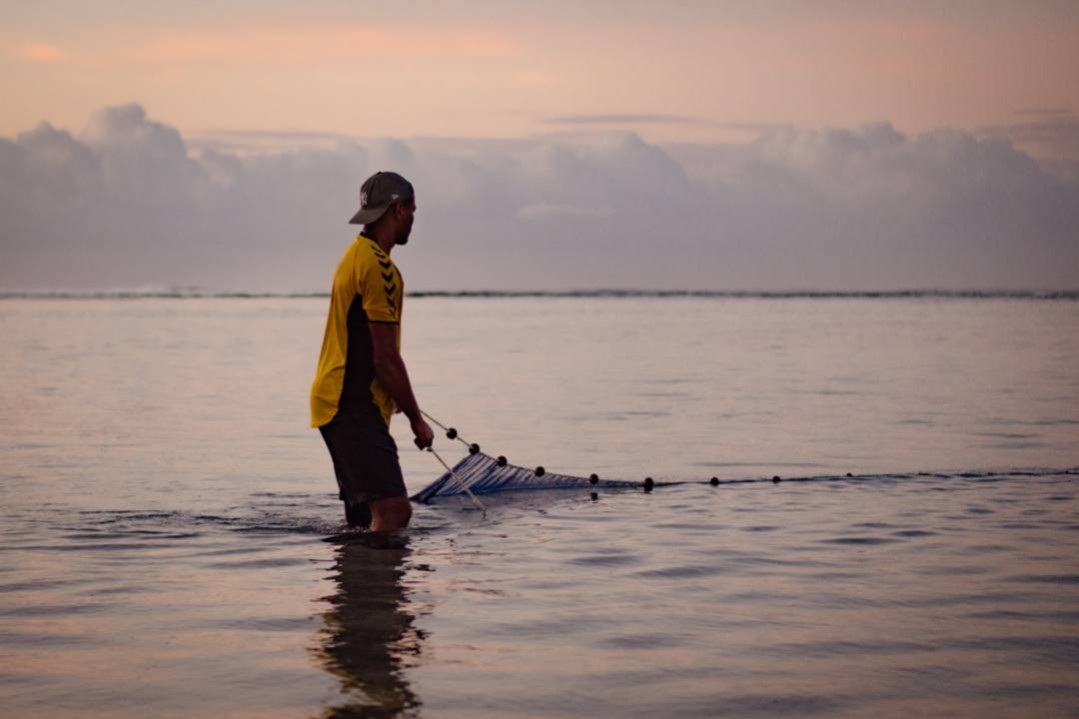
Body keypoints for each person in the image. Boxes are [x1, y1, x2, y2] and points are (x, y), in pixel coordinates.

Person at [310, 171, 434, 532]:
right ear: (398, 210)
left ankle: (358, 586)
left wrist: (390, 395)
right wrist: (416, 419)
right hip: (350, 403)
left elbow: (365, 344)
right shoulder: (380, 268)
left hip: (337, 400)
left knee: (365, 519)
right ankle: (381, 589)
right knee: (395, 512)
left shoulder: (357, 254)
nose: (413, 218)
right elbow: (385, 357)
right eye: (412, 210)